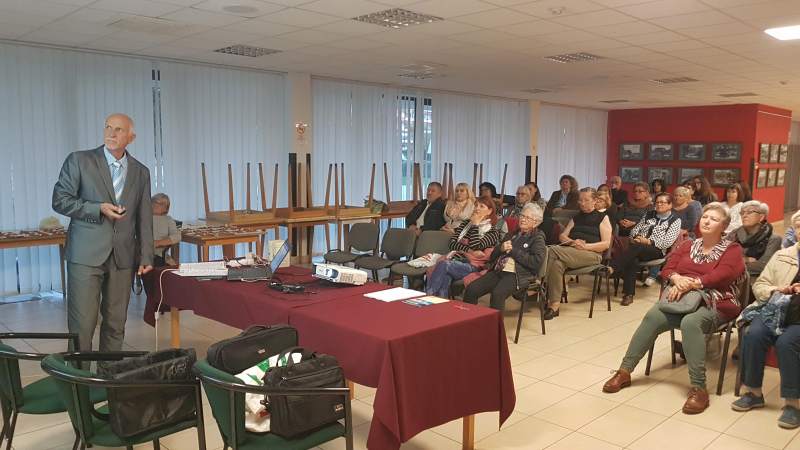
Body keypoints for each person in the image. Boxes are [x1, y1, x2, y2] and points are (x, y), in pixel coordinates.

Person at [603, 203, 745, 414]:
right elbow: (668, 268)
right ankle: (624, 371)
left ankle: (699, 388)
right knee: (653, 316)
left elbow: (723, 274)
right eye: (705, 217)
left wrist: (692, 283)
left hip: (717, 301)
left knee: (690, 323)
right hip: (682, 299)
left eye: (714, 219)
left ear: (724, 226)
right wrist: (677, 279)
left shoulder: (732, 249)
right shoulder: (688, 245)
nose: (707, 221)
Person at [52, 113, 154, 353]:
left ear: (131, 137)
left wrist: (146, 254)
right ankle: (78, 376)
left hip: (122, 257)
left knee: (116, 324)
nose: (111, 133)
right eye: (108, 127)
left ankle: (109, 375)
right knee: (82, 326)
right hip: (85, 255)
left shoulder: (141, 172)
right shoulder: (79, 161)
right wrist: (97, 208)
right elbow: (60, 200)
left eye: (119, 129)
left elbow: (144, 216)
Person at [733, 213, 800, 428]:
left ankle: (793, 404)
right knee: (753, 334)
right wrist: (776, 289)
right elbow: (760, 284)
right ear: (794, 231)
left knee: (786, 343)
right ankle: (753, 393)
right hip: (775, 310)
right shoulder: (782, 255)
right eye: (799, 227)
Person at [544, 188, 613, 320]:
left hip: (592, 254)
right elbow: (563, 236)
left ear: (595, 201)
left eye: (586, 200)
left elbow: (605, 244)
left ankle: (538, 284)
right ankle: (554, 305)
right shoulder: (576, 217)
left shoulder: (603, 218)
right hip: (572, 252)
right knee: (557, 264)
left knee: (551, 250)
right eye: (580, 200)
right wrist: (573, 242)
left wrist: (585, 246)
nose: (582, 203)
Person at [463, 203, 546, 311]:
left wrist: (513, 251)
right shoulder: (513, 234)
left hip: (518, 274)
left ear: (535, 222)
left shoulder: (537, 238)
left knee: (498, 294)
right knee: (472, 289)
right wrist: (500, 249)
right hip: (499, 270)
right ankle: (469, 318)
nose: (523, 219)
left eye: (527, 217)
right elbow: (492, 256)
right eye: (522, 215)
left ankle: (495, 322)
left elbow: (536, 262)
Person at [610, 193, 681, 306]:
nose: (659, 204)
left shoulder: (675, 220)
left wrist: (648, 242)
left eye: (662, 202)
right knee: (633, 259)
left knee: (636, 249)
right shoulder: (648, 214)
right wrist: (636, 238)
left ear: (670, 205)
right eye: (657, 202)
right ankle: (628, 295)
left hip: (656, 250)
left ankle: (613, 268)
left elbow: (667, 242)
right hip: (637, 247)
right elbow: (634, 230)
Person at [426, 198, 502, 298]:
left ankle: (428, 297)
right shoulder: (466, 223)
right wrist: (469, 250)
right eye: (476, 205)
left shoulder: (493, 232)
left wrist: (475, 225)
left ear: (489, 211)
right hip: (455, 259)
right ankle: (441, 303)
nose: (477, 208)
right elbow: (452, 244)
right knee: (445, 277)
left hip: (473, 265)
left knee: (444, 265)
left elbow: (476, 245)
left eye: (481, 206)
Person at [727, 200, 782, 277]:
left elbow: (762, 266)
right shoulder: (734, 233)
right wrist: (744, 260)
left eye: (749, 212)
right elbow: (720, 254)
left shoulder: (774, 239)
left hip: (757, 279)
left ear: (761, 217)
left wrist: (729, 265)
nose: (744, 215)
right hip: (731, 276)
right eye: (742, 213)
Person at [151, 193, 181, 267]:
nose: (153, 204)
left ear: (165, 207)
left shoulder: (168, 219)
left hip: (158, 255)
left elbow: (177, 236)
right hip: (141, 253)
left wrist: (158, 243)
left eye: (157, 203)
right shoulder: (143, 218)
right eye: (153, 201)